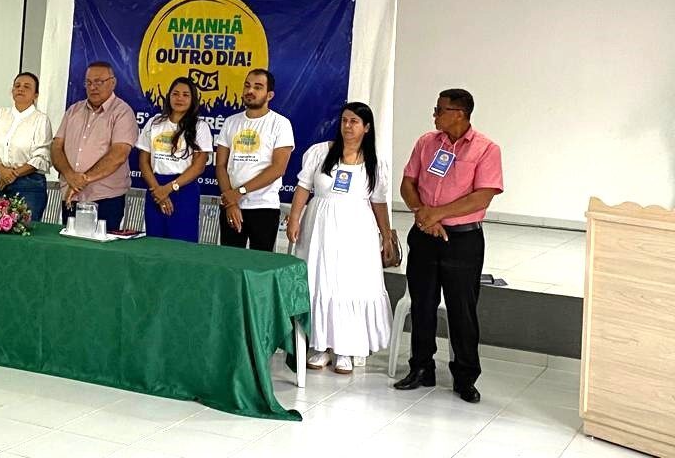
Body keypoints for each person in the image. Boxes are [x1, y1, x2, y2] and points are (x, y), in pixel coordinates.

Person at [393, 88, 503, 404]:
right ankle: (421, 367)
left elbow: (482, 196)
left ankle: (465, 377)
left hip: (463, 240)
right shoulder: (426, 143)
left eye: (439, 110)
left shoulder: (486, 149)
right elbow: (408, 183)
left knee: (461, 310)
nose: (434, 115)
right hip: (425, 235)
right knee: (422, 304)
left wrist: (437, 213)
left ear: (459, 114)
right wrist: (422, 214)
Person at [286, 102, 394, 374]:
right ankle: (319, 345)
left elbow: (379, 202)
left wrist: (386, 235)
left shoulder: (375, 163)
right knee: (320, 281)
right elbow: (303, 187)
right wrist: (294, 218)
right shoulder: (320, 152)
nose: (347, 126)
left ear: (366, 127)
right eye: (344, 120)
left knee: (349, 284)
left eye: (354, 121)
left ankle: (345, 348)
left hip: (357, 231)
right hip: (319, 227)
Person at [51, 61, 138, 231]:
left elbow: (119, 154)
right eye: (89, 82)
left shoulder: (122, 112)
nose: (93, 87)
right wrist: (70, 175)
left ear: (113, 82)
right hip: (71, 196)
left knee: (100, 247)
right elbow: (56, 147)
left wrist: (83, 179)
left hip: (106, 199)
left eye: (99, 82)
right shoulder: (73, 110)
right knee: (70, 245)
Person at [215, 68, 295, 250]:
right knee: (229, 261)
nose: (250, 91)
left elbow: (278, 168)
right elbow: (220, 165)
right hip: (231, 206)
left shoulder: (280, 124)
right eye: (247, 85)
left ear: (270, 95)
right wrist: (230, 201)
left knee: (260, 263)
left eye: (258, 87)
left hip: (264, 207)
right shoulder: (230, 122)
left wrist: (239, 192)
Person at [136, 77, 212, 242]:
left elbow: (199, 166)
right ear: (168, 96)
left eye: (185, 95)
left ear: (192, 99)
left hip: (183, 189)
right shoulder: (154, 123)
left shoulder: (200, 127)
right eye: (175, 94)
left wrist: (170, 188)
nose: (179, 98)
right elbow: (143, 162)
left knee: (181, 245)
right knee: (155, 242)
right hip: (155, 189)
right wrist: (158, 190)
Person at [0, 72, 53, 220]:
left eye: (27, 87)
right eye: (17, 86)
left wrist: (13, 174)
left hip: (29, 184)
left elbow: (41, 157)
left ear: (36, 95)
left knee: (25, 228)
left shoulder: (41, 120)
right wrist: (2, 171)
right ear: (12, 91)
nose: (20, 89)